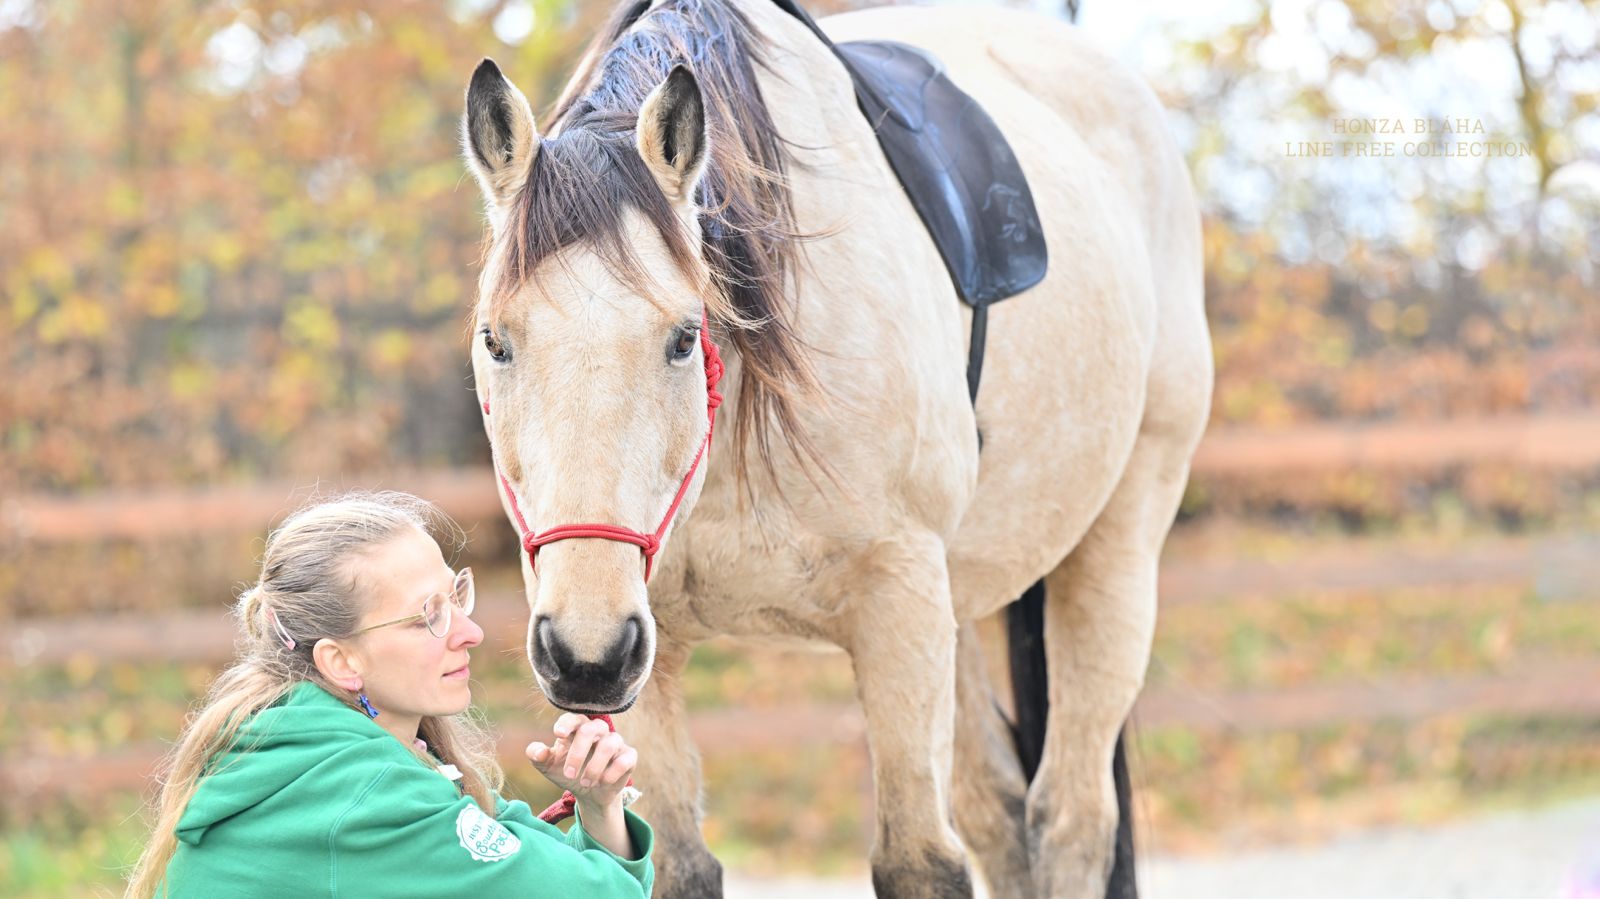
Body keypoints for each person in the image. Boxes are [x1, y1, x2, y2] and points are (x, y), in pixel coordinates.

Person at [124, 490, 653, 898]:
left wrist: (597, 808)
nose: (470, 632)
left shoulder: (304, 747)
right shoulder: (368, 798)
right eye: (428, 616)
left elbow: (542, 867)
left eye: (456, 595)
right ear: (341, 662)